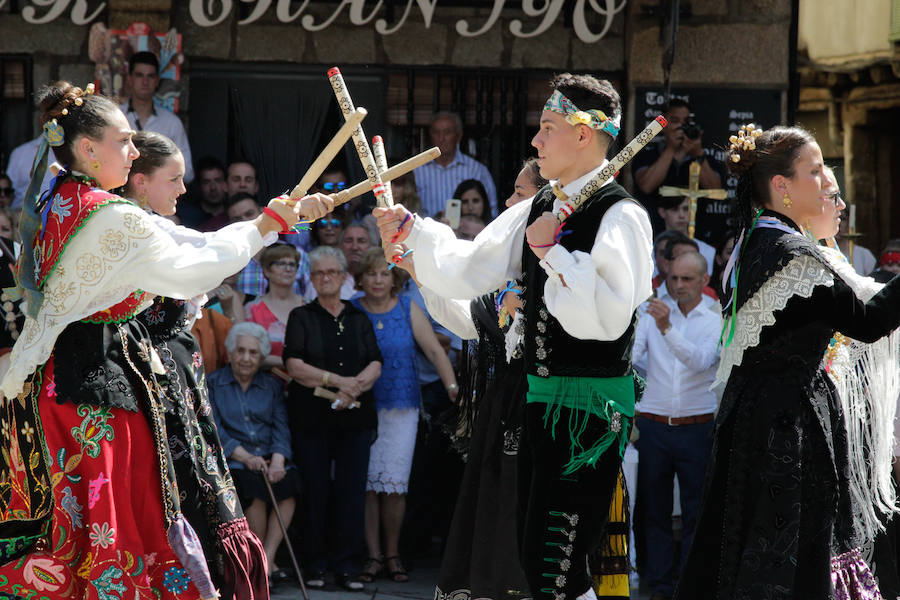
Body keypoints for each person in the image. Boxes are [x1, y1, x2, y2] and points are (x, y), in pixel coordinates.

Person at [0, 81, 329, 600]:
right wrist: (267, 225)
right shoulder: (112, 217)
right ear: (88, 149)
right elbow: (193, 267)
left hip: (58, 382)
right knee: (113, 531)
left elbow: (188, 245)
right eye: (124, 141)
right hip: (97, 390)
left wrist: (271, 220)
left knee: (76, 529)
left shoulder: (60, 196)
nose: (133, 154)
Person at [376, 73, 653, 600]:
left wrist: (553, 253)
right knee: (534, 558)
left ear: (582, 134)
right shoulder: (540, 205)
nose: (535, 141)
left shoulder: (620, 215)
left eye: (547, 128)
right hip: (538, 400)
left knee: (557, 563)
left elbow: (606, 320)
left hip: (589, 411)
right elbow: (472, 266)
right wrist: (412, 229)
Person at [676, 125, 900, 599]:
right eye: (815, 171)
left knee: (747, 549)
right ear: (782, 187)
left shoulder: (755, 242)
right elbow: (869, 319)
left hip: (758, 418)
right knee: (787, 559)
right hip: (787, 427)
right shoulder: (790, 255)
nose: (827, 181)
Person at [122, 129, 275, 596]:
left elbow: (202, 243)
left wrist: (273, 219)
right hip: (152, 374)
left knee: (196, 474)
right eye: (174, 179)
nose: (184, 190)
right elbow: (205, 256)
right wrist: (269, 224)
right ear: (142, 181)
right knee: (175, 481)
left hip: (175, 372)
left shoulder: (151, 222)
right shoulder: (132, 225)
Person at [351, 248, 458, 584]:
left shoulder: (408, 308)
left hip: (402, 407)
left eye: (384, 273)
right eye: (371, 274)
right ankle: (372, 556)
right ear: (361, 279)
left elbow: (434, 350)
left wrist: (453, 387)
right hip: (362, 408)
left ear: (394, 277)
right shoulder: (351, 310)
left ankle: (393, 553)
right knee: (368, 485)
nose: (379, 280)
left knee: (395, 485)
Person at [283, 245, 382, 591]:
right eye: (319, 273)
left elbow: (375, 361)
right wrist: (339, 382)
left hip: (355, 419)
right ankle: (316, 565)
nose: (325, 278)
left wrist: (354, 388)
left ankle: (348, 566)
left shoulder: (358, 317)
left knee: (352, 492)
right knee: (315, 491)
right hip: (312, 420)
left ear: (344, 277)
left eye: (332, 273)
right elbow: (294, 366)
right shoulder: (302, 317)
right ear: (311, 279)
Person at [632, 251, 720, 600]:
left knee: (696, 509)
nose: (679, 286)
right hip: (654, 425)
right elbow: (634, 357)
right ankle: (659, 584)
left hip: (696, 427)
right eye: (673, 279)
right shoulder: (652, 311)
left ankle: (691, 584)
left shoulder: (715, 318)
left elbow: (699, 362)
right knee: (653, 509)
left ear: (704, 281)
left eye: (687, 279)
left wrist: (666, 328)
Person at [208, 323, 303, 587]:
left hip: (269, 457)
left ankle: (268, 559)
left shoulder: (270, 386)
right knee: (255, 492)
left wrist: (279, 461)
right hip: (236, 460)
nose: (246, 358)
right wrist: (246, 456)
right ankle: (260, 561)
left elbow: (280, 425)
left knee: (289, 485)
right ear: (230, 353)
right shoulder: (214, 383)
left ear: (261, 357)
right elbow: (215, 427)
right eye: (241, 351)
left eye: (253, 352)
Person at [632, 99, 723, 236]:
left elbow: (715, 190)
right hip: (653, 234)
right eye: (675, 121)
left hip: (696, 235)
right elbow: (646, 186)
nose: (681, 126)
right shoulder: (647, 156)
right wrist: (671, 149)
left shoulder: (706, 159)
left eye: (686, 122)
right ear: (663, 126)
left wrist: (697, 153)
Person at [120, 51, 193, 183]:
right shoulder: (117, 117)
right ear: (129, 79)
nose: (145, 81)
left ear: (157, 80)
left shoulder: (172, 122)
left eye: (151, 76)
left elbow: (187, 172)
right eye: (139, 75)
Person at [414, 111, 497, 218]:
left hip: (467, 233)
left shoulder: (476, 170)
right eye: (436, 132)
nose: (441, 138)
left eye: (447, 132)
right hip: (424, 233)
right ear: (430, 135)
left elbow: (491, 211)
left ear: (459, 136)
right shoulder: (417, 171)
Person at [244, 244, 307, 369]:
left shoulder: (309, 307)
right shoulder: (253, 309)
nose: (288, 269)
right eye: (281, 264)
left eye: (292, 264)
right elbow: (249, 353)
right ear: (267, 270)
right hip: (265, 383)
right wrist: (291, 364)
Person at [655, 195, 715, 274]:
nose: (681, 215)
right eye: (674, 209)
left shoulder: (708, 251)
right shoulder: (650, 250)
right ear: (662, 212)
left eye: (686, 209)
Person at [178, 156, 227, 228]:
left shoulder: (234, 213)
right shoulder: (187, 216)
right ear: (199, 186)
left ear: (225, 183)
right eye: (206, 182)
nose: (213, 187)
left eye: (217, 181)